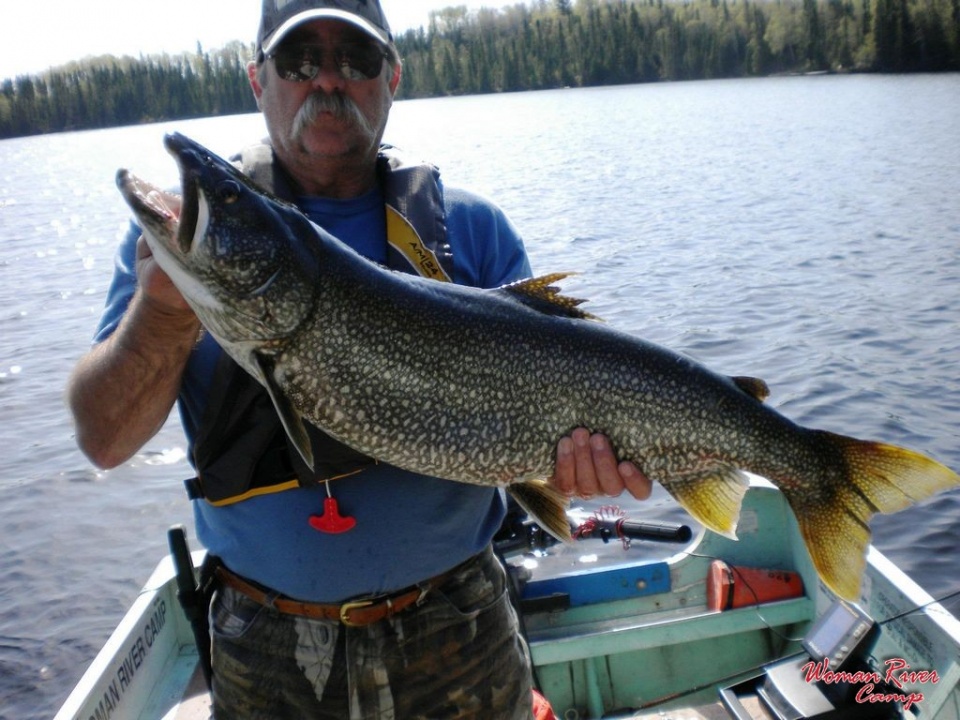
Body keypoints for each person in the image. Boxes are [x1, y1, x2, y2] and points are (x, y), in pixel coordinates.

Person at [67, 1, 652, 717]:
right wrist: (159, 314)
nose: (328, 81)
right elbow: (103, 441)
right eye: (299, 61)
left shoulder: (472, 230)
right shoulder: (180, 253)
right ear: (259, 81)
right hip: (267, 643)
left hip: (459, 625)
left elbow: (557, 433)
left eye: (355, 59)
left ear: (392, 77)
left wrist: (576, 467)